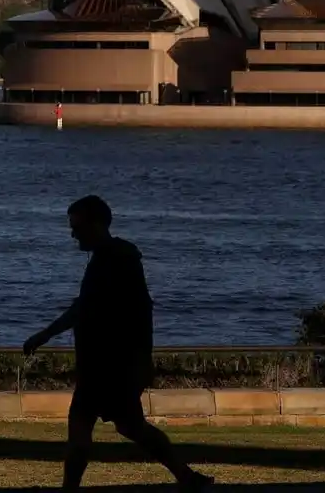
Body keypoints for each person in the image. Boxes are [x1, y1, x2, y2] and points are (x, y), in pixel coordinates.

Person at [23, 195, 213, 493]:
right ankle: (185, 476)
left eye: (78, 226)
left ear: (96, 224)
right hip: (107, 366)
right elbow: (97, 307)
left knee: (91, 432)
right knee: (121, 428)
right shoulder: (112, 258)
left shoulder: (115, 260)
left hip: (109, 367)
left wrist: (45, 334)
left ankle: (183, 476)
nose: (73, 234)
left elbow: (93, 309)